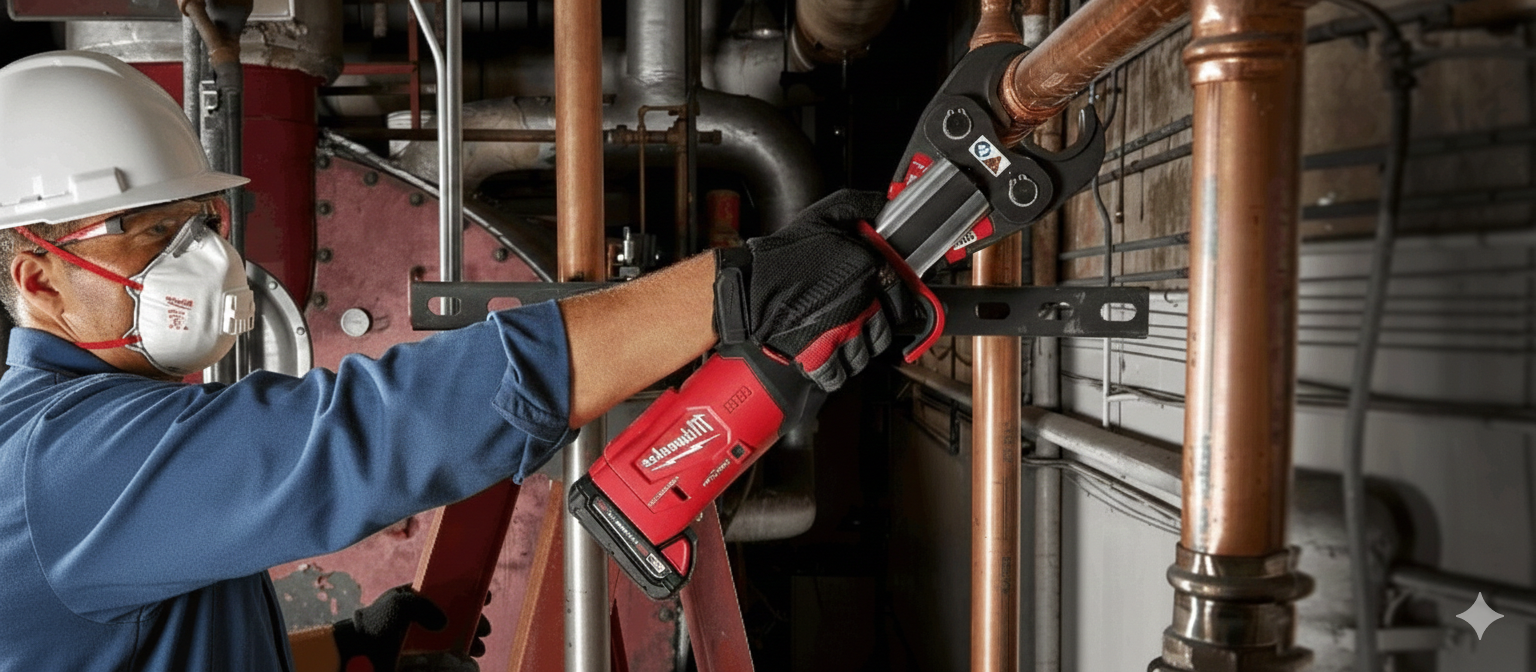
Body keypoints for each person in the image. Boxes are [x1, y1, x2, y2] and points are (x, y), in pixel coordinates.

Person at [0, 51, 895, 671]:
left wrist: (343, 651)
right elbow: (366, 435)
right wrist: (730, 293)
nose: (195, 256)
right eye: (153, 233)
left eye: (200, 221)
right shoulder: (68, 467)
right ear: (39, 280)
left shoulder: (81, 446)